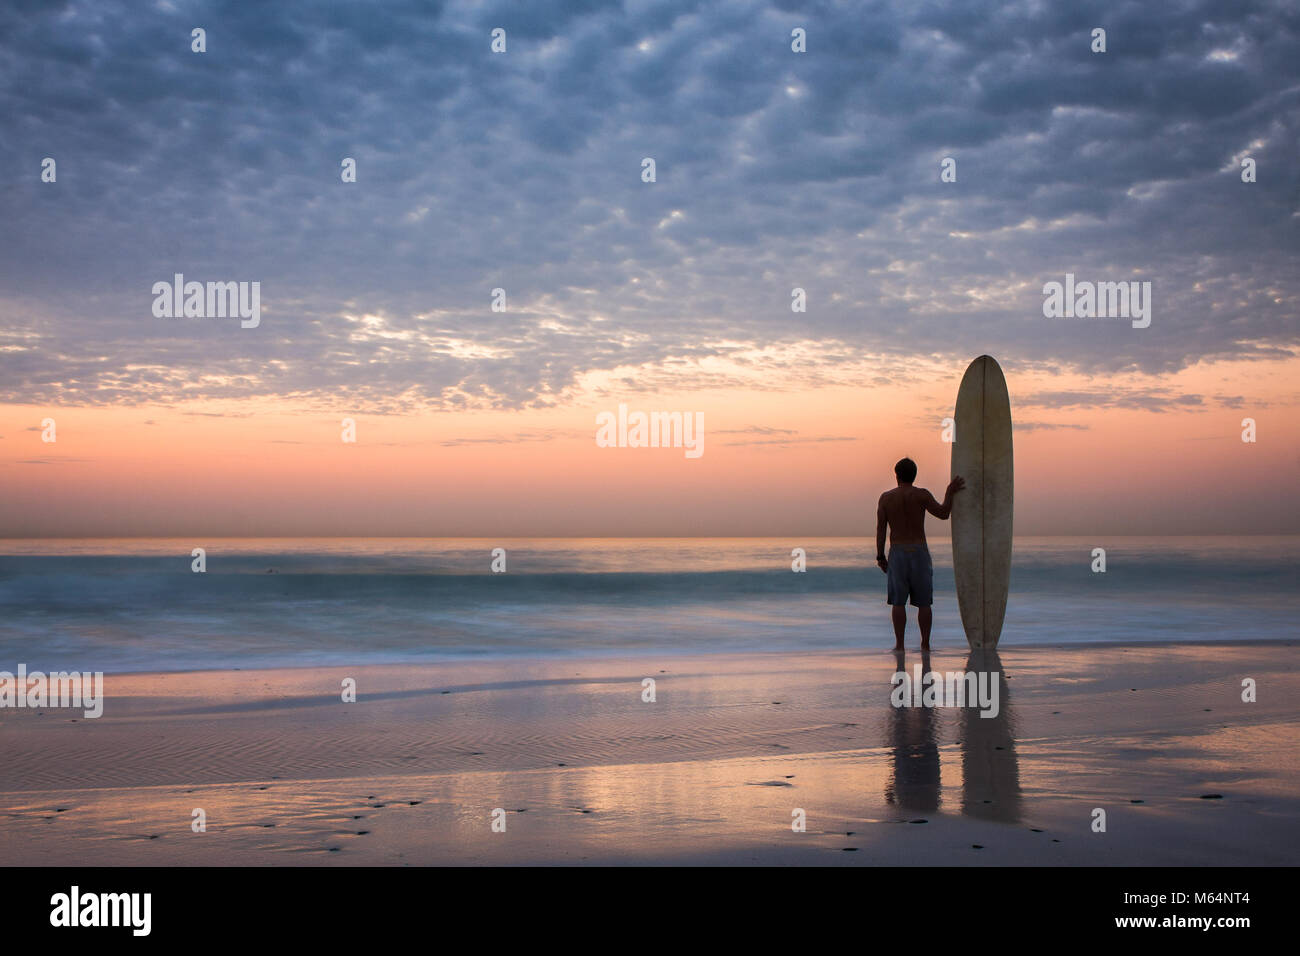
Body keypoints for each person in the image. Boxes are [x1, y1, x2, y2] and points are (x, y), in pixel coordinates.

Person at [876, 458, 965, 650]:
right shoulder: (921, 495)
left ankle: (900, 645)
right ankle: (925, 644)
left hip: (898, 552)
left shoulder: (886, 498)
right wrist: (950, 492)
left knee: (898, 602)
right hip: (919, 551)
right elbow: (943, 513)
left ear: (896, 475)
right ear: (914, 475)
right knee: (924, 603)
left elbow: (881, 529)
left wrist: (880, 556)